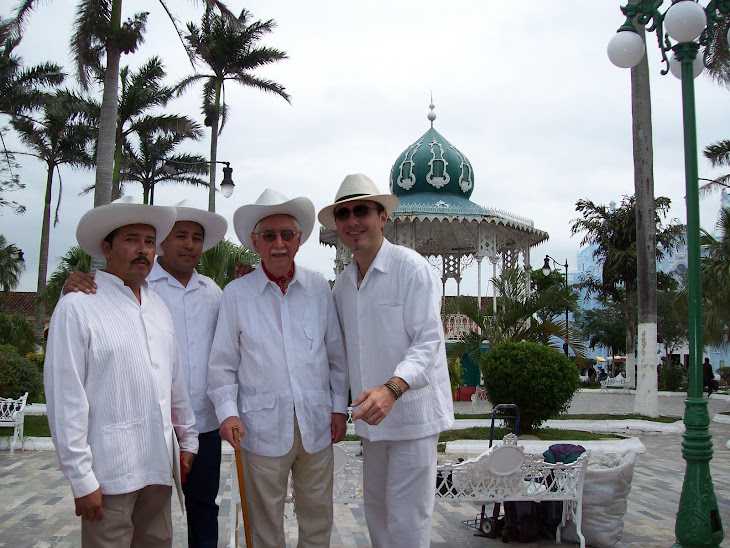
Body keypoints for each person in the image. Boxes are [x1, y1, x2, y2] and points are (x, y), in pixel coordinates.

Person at [63, 200, 230, 548]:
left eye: (148, 241)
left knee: (182, 523)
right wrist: (81, 479)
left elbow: (177, 379)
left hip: (162, 456)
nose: (142, 250)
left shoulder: (166, 304)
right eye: (131, 240)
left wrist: (188, 439)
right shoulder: (81, 303)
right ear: (106, 248)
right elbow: (67, 398)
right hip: (111, 466)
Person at [318, 173, 455, 548]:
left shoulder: (412, 269)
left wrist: (392, 389)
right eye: (343, 214)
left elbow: (428, 341)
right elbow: (338, 354)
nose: (351, 221)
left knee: (408, 520)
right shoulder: (343, 285)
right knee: (377, 514)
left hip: (412, 416)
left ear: (382, 217)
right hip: (372, 421)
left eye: (361, 210)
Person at [207, 189, 349, 548]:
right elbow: (222, 364)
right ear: (255, 243)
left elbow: (336, 357)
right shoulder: (236, 295)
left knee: (318, 516)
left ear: (299, 240)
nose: (279, 243)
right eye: (269, 236)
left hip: (316, 423)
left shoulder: (319, 289)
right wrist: (227, 413)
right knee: (263, 521)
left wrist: (337, 408)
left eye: (287, 234)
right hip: (260, 427)